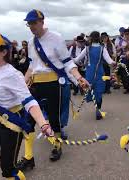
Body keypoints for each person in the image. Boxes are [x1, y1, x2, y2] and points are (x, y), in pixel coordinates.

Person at [0, 33, 53, 180]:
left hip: (10, 125)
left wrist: (43, 123)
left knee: (8, 170)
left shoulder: (13, 75)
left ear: (4, 52)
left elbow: (29, 101)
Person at [17, 9, 89, 170]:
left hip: (52, 84)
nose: (31, 26)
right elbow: (31, 66)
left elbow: (67, 62)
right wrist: (22, 84)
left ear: (42, 22)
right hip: (35, 85)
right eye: (29, 24)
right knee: (28, 120)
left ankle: (57, 146)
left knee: (54, 118)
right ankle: (28, 156)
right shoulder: (30, 42)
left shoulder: (56, 38)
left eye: (34, 23)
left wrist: (79, 78)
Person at [73, 31, 116, 120]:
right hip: (100, 72)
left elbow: (77, 60)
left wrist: (70, 61)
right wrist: (114, 63)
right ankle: (98, 110)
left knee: (91, 90)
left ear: (91, 38)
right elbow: (109, 61)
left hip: (89, 73)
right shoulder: (102, 48)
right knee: (99, 92)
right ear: (99, 38)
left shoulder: (87, 48)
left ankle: (97, 108)